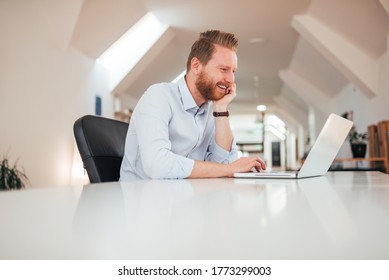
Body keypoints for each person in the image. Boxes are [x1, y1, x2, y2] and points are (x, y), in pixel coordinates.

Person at [120, 30, 266, 180]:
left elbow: (225, 166)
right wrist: (228, 169)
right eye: (224, 69)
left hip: (185, 198)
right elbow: (157, 166)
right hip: (142, 199)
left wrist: (221, 110)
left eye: (233, 71)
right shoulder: (159, 96)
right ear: (196, 66)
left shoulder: (212, 109)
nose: (231, 79)